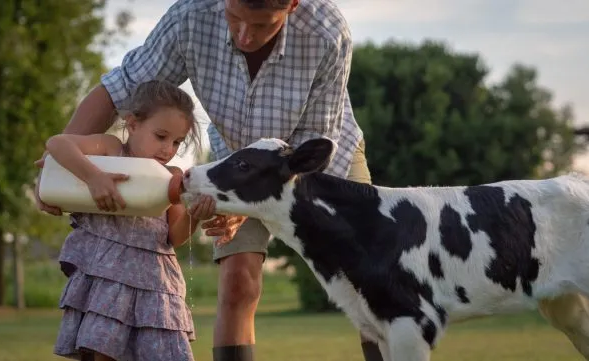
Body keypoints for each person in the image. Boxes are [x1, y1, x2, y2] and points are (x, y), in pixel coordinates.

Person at [35, 0, 385, 360]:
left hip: (319, 157)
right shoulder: (191, 15)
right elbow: (120, 88)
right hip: (234, 162)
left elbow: (313, 140)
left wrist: (248, 205)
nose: (245, 36)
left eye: (263, 26)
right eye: (234, 19)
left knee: (366, 277)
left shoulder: (327, 32)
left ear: (292, 5)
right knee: (238, 283)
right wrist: (55, 174)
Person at [47, 80, 217, 361]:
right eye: (160, 136)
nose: (167, 149)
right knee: (103, 353)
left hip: (155, 285)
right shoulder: (111, 151)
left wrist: (193, 216)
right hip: (107, 278)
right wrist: (94, 177)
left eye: (176, 142)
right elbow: (57, 144)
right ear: (133, 124)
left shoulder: (170, 175)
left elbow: (175, 236)